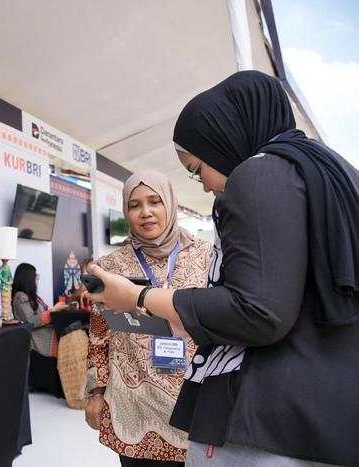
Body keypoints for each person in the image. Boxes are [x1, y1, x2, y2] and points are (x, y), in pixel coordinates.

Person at [86, 71, 359, 466]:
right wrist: (96, 390)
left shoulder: (257, 177)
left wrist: (139, 297)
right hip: (317, 412)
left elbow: (257, 311)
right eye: (134, 204)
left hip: (268, 421)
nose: (204, 185)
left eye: (197, 169)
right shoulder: (326, 172)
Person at [85, 171, 210, 467]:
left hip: (195, 403)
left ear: (170, 203)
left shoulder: (207, 257)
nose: (145, 212)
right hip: (133, 406)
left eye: (155, 201)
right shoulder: (109, 267)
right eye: (134, 205)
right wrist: (95, 392)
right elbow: (98, 335)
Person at [11, 263, 69, 357]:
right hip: (39, 338)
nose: (37, 279)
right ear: (28, 279)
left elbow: (44, 312)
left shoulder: (32, 296)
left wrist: (55, 309)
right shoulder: (20, 297)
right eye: (35, 276)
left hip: (46, 332)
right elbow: (31, 321)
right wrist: (53, 310)